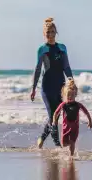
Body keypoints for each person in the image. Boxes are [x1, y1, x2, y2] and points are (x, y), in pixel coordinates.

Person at [30, 17, 74, 148]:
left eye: (52, 31)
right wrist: (33, 88)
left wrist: (71, 81)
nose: (50, 34)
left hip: (60, 86)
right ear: (44, 34)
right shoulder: (42, 49)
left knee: (55, 116)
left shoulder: (62, 48)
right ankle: (58, 145)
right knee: (52, 115)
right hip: (47, 87)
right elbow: (38, 70)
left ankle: (42, 138)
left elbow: (66, 67)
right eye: (48, 32)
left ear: (56, 32)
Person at [52, 79, 92, 157]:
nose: (70, 97)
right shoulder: (63, 105)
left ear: (75, 95)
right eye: (68, 95)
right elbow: (56, 113)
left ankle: (71, 156)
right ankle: (69, 150)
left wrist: (90, 121)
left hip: (75, 128)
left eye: (72, 95)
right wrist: (54, 121)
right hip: (65, 128)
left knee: (72, 142)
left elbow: (86, 112)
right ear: (64, 95)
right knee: (64, 143)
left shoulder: (78, 105)